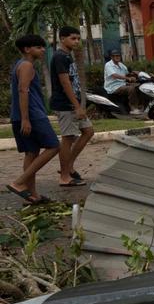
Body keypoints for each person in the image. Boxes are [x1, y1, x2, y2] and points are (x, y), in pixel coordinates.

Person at [7, 35, 60, 205]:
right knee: (54, 146)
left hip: (22, 115)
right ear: (27, 49)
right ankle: (19, 182)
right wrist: (26, 119)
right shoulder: (27, 65)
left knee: (32, 152)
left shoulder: (20, 65)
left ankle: (32, 195)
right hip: (32, 115)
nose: (43, 49)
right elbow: (23, 91)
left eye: (43, 47)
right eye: (38, 47)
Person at [49, 27, 92, 187]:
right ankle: (65, 176)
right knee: (68, 138)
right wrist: (77, 106)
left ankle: (68, 166)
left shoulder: (68, 56)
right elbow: (65, 82)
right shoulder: (60, 57)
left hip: (73, 104)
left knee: (88, 131)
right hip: (65, 104)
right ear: (62, 39)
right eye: (73, 38)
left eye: (78, 39)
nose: (76, 41)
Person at [103, 50, 143, 114]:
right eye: (115, 56)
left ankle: (140, 105)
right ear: (112, 57)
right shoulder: (108, 65)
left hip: (122, 84)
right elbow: (114, 75)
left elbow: (128, 73)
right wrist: (128, 78)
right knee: (131, 89)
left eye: (118, 55)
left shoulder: (121, 64)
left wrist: (139, 73)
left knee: (139, 86)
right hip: (113, 87)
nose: (117, 57)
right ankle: (133, 109)